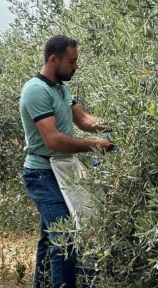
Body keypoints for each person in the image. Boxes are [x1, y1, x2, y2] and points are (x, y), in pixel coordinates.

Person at [20, 35, 113, 288]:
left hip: (62, 171)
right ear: (53, 60)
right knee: (64, 237)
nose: (76, 67)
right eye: (72, 61)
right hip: (42, 174)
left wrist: (117, 125)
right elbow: (54, 140)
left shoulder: (61, 87)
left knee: (51, 239)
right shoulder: (35, 91)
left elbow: (83, 120)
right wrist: (96, 145)